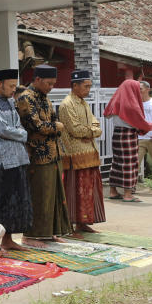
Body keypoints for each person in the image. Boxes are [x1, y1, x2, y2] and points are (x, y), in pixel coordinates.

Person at [16, 65, 72, 244]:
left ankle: (49, 233)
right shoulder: (26, 98)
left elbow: (52, 121)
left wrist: (54, 126)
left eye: (53, 84)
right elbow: (36, 126)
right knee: (39, 196)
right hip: (37, 154)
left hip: (53, 153)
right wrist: (57, 127)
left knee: (53, 196)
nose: (51, 87)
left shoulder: (45, 98)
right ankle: (31, 235)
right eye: (48, 83)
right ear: (37, 79)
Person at [0, 69, 31, 251]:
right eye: (10, 86)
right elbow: (2, 129)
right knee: (4, 202)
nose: (13, 90)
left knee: (18, 201)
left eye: (14, 86)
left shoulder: (11, 101)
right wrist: (24, 134)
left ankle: (9, 240)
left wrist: (18, 132)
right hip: (4, 159)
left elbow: (16, 125)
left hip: (19, 157)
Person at [58, 70, 105, 234]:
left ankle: (83, 223)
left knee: (88, 191)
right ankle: (70, 224)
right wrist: (92, 132)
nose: (88, 90)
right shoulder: (67, 104)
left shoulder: (83, 102)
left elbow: (97, 124)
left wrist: (91, 132)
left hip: (89, 154)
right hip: (75, 157)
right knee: (74, 191)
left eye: (89, 86)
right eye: (86, 86)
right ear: (75, 85)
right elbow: (75, 130)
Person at [105, 79, 152, 202]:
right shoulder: (130, 104)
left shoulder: (116, 100)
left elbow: (108, 114)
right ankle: (127, 194)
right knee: (130, 164)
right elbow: (142, 123)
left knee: (117, 163)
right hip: (128, 134)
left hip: (117, 134)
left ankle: (113, 192)